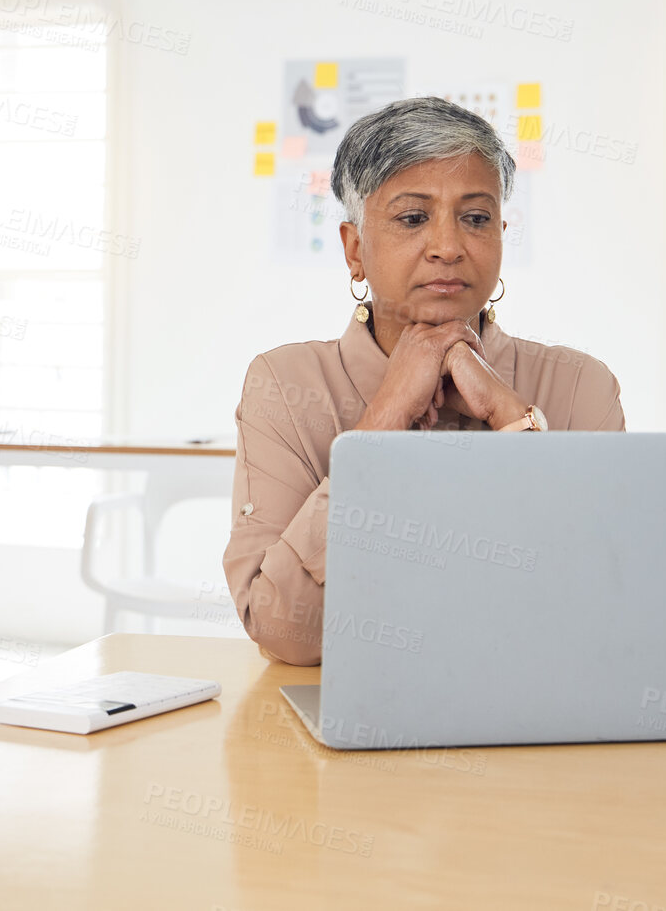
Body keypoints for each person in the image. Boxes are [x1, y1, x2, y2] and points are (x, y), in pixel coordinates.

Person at [221, 97, 626, 665]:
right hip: (345, 728)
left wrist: (513, 418)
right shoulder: (284, 386)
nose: (448, 246)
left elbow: (599, 609)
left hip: (536, 720)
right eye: (413, 218)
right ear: (355, 249)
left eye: (476, 218)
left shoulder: (581, 386)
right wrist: (382, 422)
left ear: (501, 236)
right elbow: (285, 633)